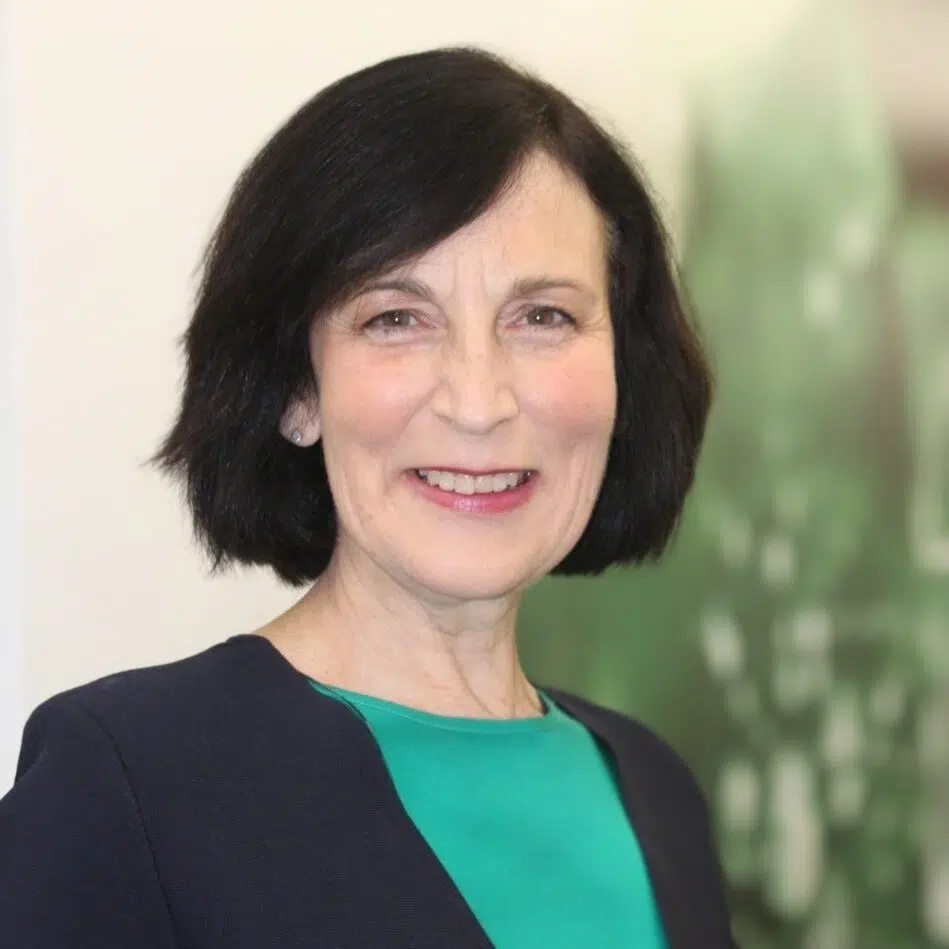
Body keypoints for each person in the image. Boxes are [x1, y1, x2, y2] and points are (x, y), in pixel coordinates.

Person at [0, 46, 735, 949]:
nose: (478, 401)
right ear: (295, 391)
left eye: (543, 316)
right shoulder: (130, 782)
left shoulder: (655, 789)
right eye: (395, 318)